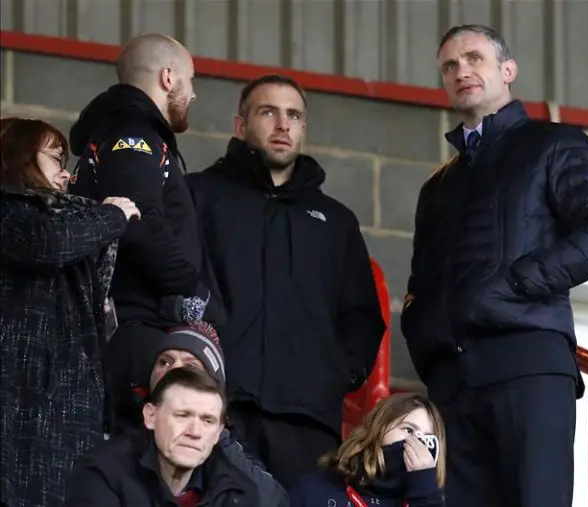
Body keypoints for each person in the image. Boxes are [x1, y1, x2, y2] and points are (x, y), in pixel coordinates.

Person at [401, 25, 588, 507]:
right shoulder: (437, 187)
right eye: (449, 65)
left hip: (527, 366)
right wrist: (426, 338)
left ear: (508, 70)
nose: (461, 70)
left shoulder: (555, 143)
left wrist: (510, 285)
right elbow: (421, 281)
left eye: (474, 58)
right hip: (453, 384)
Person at [185, 74, 386, 488]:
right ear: (240, 125)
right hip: (216, 407)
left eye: (293, 115)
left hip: (307, 422)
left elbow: (362, 315)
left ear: (303, 128)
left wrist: (335, 375)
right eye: (268, 112)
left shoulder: (336, 222)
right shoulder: (198, 196)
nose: (282, 124)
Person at [67, 33, 224, 432]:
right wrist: (191, 290)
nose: (194, 93)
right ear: (168, 78)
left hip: (135, 325)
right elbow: (137, 223)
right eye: (190, 80)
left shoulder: (125, 130)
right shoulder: (134, 133)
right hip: (135, 328)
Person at [0, 117, 140, 507]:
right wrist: (111, 216)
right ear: (18, 156)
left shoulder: (65, 217)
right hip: (20, 409)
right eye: (55, 158)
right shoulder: (11, 213)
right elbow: (48, 243)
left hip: (65, 410)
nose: (65, 173)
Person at [112, 321, 289, 506]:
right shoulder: (120, 437)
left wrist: (214, 433)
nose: (174, 370)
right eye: (165, 362)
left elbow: (274, 500)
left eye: (191, 367)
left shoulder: (227, 444)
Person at [65, 367, 268, 506]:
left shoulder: (238, 494)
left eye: (208, 421)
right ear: (150, 416)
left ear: (218, 433)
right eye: (182, 415)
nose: (195, 432)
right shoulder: (102, 473)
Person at [289, 393, 446, 507]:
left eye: (428, 440)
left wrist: (426, 496)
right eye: (409, 430)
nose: (419, 443)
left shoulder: (430, 500)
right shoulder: (315, 488)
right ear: (378, 429)